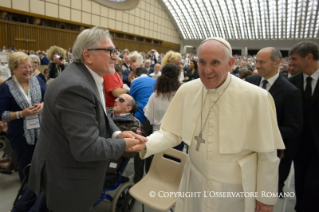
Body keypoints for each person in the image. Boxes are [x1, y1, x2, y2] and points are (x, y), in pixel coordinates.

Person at [130, 37, 285, 212]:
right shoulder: (187, 90)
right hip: (195, 179)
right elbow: (171, 132)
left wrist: (265, 198)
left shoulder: (257, 97)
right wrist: (145, 143)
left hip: (235, 189)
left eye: (215, 63)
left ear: (230, 63)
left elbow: (267, 153)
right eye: (202, 62)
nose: (207, 70)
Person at [28, 27, 146, 212]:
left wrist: (117, 133)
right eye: (110, 51)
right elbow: (86, 148)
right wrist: (124, 145)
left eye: (115, 51)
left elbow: (99, 114)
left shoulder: (86, 77)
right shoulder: (76, 87)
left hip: (65, 170)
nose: (116, 57)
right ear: (88, 56)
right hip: (69, 181)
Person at [245, 47, 303, 197]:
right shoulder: (250, 81)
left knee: (264, 194)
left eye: (262, 62)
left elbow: (293, 127)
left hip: (270, 152)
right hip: (245, 148)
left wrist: (263, 133)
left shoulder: (290, 91)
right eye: (257, 61)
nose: (257, 65)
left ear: (277, 62)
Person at [0, 52, 46, 182]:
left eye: (30, 66)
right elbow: (1, 114)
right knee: (26, 166)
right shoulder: (5, 87)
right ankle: (27, 196)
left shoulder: (38, 80)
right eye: (24, 67)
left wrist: (43, 105)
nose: (29, 70)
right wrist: (21, 114)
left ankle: (41, 195)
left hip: (42, 131)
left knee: (42, 163)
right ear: (13, 69)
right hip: (20, 135)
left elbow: (48, 99)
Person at [288, 41, 319, 212]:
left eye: (294, 59)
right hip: (300, 147)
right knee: (300, 186)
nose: (291, 63)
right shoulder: (293, 81)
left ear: (309, 57)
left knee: (313, 189)